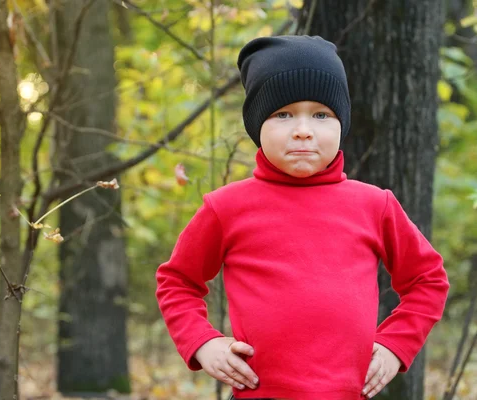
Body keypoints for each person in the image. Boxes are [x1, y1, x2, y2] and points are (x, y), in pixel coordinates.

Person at [155, 35, 450, 400]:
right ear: (256, 124)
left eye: (321, 114)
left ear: (341, 123)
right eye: (283, 114)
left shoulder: (375, 205)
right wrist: (203, 343)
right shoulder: (226, 207)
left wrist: (394, 347)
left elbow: (428, 280)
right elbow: (177, 281)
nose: (304, 129)